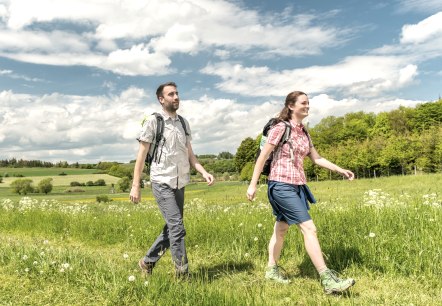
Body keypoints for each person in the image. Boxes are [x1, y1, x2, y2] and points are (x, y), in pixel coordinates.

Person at [246, 91, 356, 294]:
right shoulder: (280, 128)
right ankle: (327, 279)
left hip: (298, 186)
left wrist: (340, 169)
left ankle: (271, 269)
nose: (307, 106)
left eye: (308, 103)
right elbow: (262, 157)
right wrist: (253, 185)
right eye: (303, 103)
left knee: (281, 229)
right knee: (309, 228)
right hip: (280, 185)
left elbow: (316, 158)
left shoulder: (304, 131)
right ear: (291, 106)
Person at [130, 81, 214, 278]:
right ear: (161, 99)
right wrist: (136, 185)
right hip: (161, 181)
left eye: (177, 93)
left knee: (172, 228)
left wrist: (203, 171)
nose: (176, 97)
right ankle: (182, 274)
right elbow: (141, 155)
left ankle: (147, 262)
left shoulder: (184, 123)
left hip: (180, 182)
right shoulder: (154, 122)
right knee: (177, 227)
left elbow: (190, 155)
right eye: (171, 94)